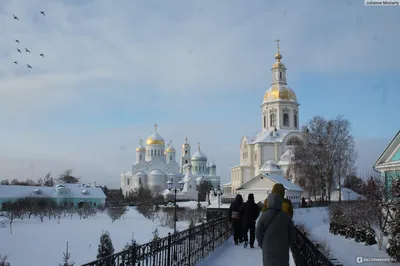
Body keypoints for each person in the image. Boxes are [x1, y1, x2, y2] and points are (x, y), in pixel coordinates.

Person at [256, 193, 295, 266]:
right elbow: (292, 232)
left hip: (268, 248)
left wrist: (263, 245)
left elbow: (258, 233)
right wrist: (287, 243)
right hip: (282, 248)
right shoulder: (286, 216)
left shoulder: (264, 216)